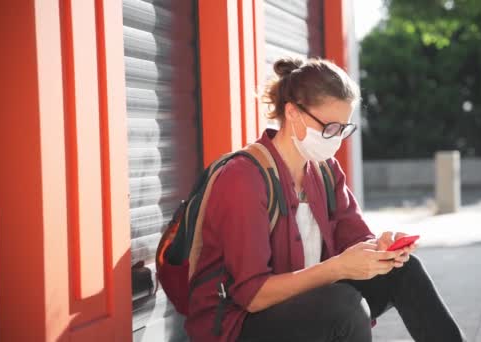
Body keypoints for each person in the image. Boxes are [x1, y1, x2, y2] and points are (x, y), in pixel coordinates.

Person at [184, 57, 466, 342]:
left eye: (344, 129)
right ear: (293, 113)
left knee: (404, 271)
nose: (337, 139)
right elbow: (253, 295)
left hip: (305, 304)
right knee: (345, 308)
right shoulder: (244, 178)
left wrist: (382, 249)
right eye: (330, 128)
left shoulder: (325, 169)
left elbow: (355, 240)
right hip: (239, 325)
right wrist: (338, 268)